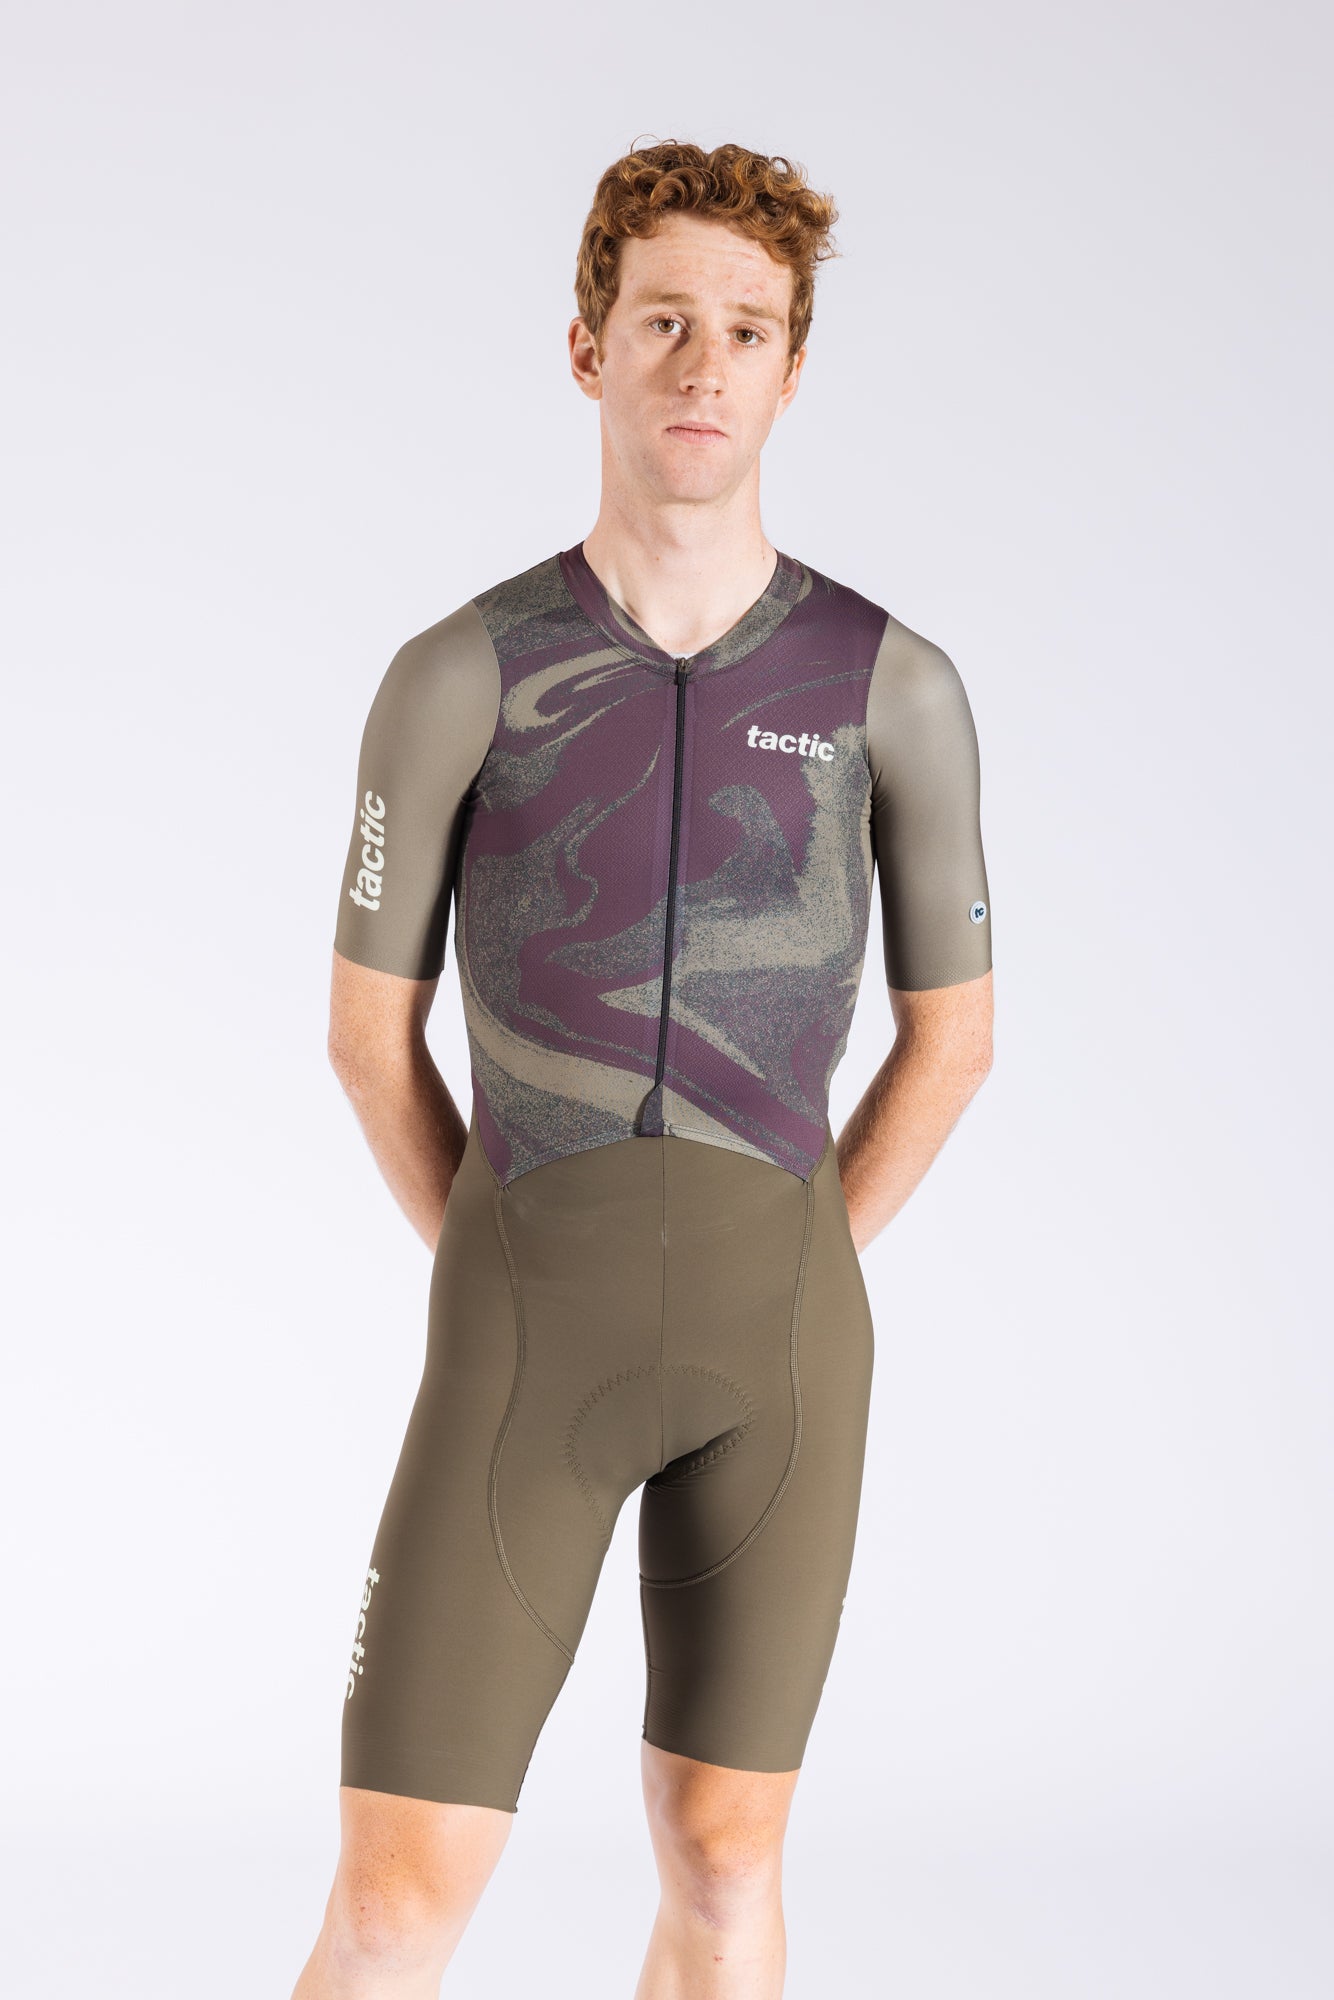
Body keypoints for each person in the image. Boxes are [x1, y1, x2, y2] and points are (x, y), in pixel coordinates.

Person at [293, 137, 993, 2000]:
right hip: (523, 1341)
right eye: (664, 319)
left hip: (784, 1354)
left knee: (725, 1852)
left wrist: (793, 1256)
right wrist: (507, 1249)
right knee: (396, 1894)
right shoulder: (460, 672)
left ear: (791, 370)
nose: (704, 365)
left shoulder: (889, 685)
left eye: (746, 330)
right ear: (586, 346)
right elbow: (365, 1034)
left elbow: (955, 1038)